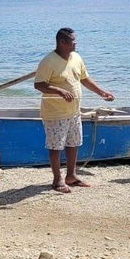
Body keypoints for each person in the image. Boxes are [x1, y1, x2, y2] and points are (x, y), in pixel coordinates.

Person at [34, 28, 114, 193]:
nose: (75, 43)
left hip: (73, 112)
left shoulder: (76, 57)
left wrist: (101, 92)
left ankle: (71, 176)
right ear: (62, 42)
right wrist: (59, 91)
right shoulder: (48, 61)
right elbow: (39, 84)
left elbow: (84, 78)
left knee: (73, 144)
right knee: (55, 147)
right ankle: (57, 180)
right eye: (72, 40)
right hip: (55, 113)